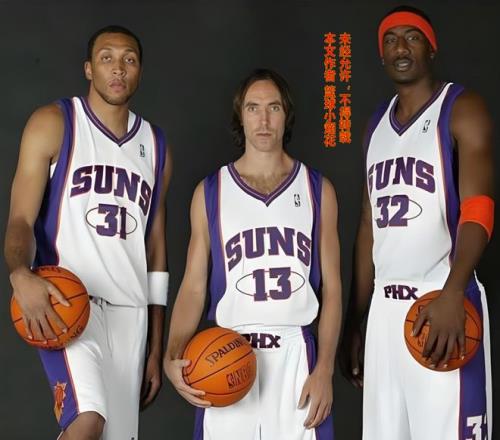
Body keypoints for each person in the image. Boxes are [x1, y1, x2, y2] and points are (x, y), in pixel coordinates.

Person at [4, 25, 171, 440]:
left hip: (131, 316)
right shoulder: (54, 123)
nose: (118, 68)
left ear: (140, 71)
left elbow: (156, 250)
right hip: (67, 303)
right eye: (106, 58)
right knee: (87, 421)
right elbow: (20, 219)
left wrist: (156, 344)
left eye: (129, 60)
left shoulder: (156, 146)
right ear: (89, 69)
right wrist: (20, 272)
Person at [339, 6, 493, 440]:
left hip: (442, 301)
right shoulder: (375, 127)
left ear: (431, 48)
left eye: (412, 37)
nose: (400, 48)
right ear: (381, 55)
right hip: (386, 316)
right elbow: (369, 227)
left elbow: (479, 208)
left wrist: (454, 291)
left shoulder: (461, 107)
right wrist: (356, 319)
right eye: (390, 40)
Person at [164, 68, 341, 440]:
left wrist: (325, 369)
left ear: (286, 115)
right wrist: (172, 353)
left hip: (296, 358)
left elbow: (333, 291)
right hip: (226, 353)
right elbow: (193, 287)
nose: (263, 120)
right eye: (253, 108)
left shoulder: (317, 190)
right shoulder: (210, 192)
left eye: (273, 107)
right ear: (240, 116)